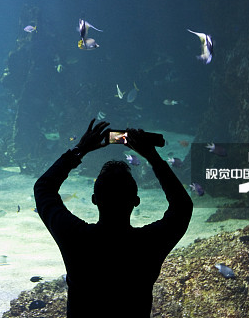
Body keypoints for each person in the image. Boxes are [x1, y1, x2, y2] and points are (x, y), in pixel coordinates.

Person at [34, 119, 193, 318]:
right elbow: (183, 207)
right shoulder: (148, 244)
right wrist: (152, 156)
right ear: (136, 201)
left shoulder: (76, 238)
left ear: (95, 200)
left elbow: (43, 189)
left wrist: (80, 150)